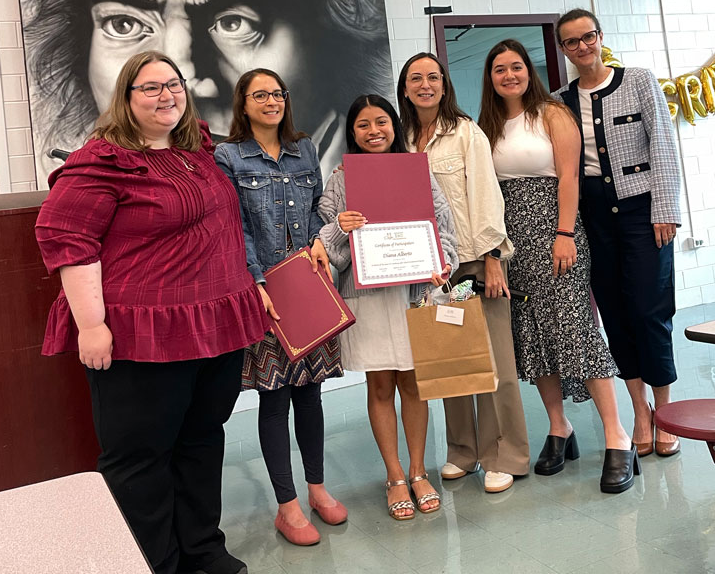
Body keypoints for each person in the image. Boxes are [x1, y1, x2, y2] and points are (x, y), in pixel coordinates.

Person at [34, 51, 269, 574]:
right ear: (126, 97)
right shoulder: (103, 160)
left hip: (214, 327)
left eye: (174, 84)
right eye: (151, 87)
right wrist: (91, 326)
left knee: (202, 441)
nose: (167, 95)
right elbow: (65, 237)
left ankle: (202, 550)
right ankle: (154, 563)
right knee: (140, 460)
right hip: (141, 336)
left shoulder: (194, 147)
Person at [14, 0, 391, 179]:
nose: (183, 83)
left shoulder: (369, 180)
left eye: (234, 22)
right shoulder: (93, 186)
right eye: (124, 23)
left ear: (332, 23)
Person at [479, 39, 638, 493]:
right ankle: (558, 426)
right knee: (531, 334)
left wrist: (564, 233)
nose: (509, 75)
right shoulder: (487, 125)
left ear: (528, 71)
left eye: (516, 67)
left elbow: (569, 177)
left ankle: (617, 435)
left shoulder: (551, 113)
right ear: (490, 78)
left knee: (575, 328)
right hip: (512, 242)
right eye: (499, 69)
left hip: (556, 232)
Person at [214, 69, 345, 547]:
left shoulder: (304, 148)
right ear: (243, 103)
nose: (272, 101)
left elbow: (312, 210)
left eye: (278, 94)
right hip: (267, 290)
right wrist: (255, 281)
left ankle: (317, 488)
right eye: (261, 95)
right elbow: (235, 227)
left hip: (307, 283)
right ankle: (286, 507)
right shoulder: (228, 156)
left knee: (311, 394)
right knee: (275, 398)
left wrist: (319, 241)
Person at [317, 94, 458, 519]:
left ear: (394, 125)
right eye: (363, 124)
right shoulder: (340, 179)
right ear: (352, 132)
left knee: (414, 383)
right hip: (368, 297)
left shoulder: (417, 170)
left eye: (381, 121)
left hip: (410, 294)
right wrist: (339, 228)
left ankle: (418, 471)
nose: (373, 131)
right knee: (379, 385)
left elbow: (443, 226)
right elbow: (328, 247)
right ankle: (395, 475)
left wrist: (442, 261)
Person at [397, 52, 530, 493]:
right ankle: (462, 451)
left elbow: (487, 195)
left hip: (474, 259)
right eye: (416, 78)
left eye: (433, 77)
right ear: (404, 88)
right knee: (449, 358)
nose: (425, 85)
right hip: (432, 268)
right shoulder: (402, 139)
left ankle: (503, 454)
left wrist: (493, 256)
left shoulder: (466, 133)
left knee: (494, 362)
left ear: (444, 84)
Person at [553, 9, 681, 458]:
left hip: (643, 212)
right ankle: (640, 412)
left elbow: (663, 145)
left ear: (600, 37)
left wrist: (664, 209)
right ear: (563, 50)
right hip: (594, 219)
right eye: (572, 42)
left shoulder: (639, 80)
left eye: (588, 37)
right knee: (615, 313)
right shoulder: (559, 101)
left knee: (650, 310)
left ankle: (666, 411)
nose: (582, 47)